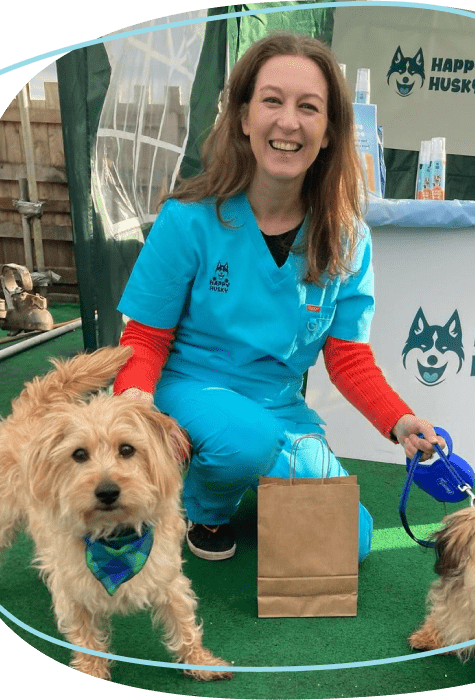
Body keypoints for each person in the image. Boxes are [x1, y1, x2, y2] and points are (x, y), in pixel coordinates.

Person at [113, 31, 441, 563]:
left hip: (279, 408)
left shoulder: (349, 238)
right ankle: (205, 506)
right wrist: (136, 407)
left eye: (308, 107)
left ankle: (251, 467)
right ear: (244, 117)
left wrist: (401, 421)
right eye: (272, 100)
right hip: (188, 389)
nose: (289, 122)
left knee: (350, 543)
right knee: (245, 440)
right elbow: (145, 338)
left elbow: (349, 358)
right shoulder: (188, 219)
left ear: (329, 132)